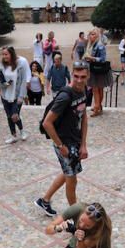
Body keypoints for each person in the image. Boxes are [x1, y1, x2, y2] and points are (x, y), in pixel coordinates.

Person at [35, 61, 90, 217]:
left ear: (88, 76)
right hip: (64, 143)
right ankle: (77, 217)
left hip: (74, 141)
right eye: (76, 76)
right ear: (72, 74)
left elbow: (83, 117)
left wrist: (83, 144)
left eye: (83, 77)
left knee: (68, 173)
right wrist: (60, 146)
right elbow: (47, 123)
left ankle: (44, 201)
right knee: (72, 182)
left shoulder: (83, 90)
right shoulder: (65, 96)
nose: (79, 80)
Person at [0, 47, 31, 144]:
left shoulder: (21, 65)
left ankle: (22, 131)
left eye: (6, 54)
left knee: (14, 116)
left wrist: (21, 96)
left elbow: (24, 82)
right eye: (3, 54)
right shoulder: (2, 65)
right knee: (9, 116)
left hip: (17, 96)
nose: (4, 56)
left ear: (11, 54)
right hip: (5, 96)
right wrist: (4, 84)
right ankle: (13, 135)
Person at [85, 29, 111, 116]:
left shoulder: (100, 45)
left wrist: (91, 58)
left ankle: (97, 108)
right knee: (97, 89)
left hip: (98, 70)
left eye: (93, 34)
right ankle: (98, 106)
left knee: (96, 89)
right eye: (90, 34)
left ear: (97, 36)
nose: (90, 36)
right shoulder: (92, 44)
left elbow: (103, 59)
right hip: (94, 69)